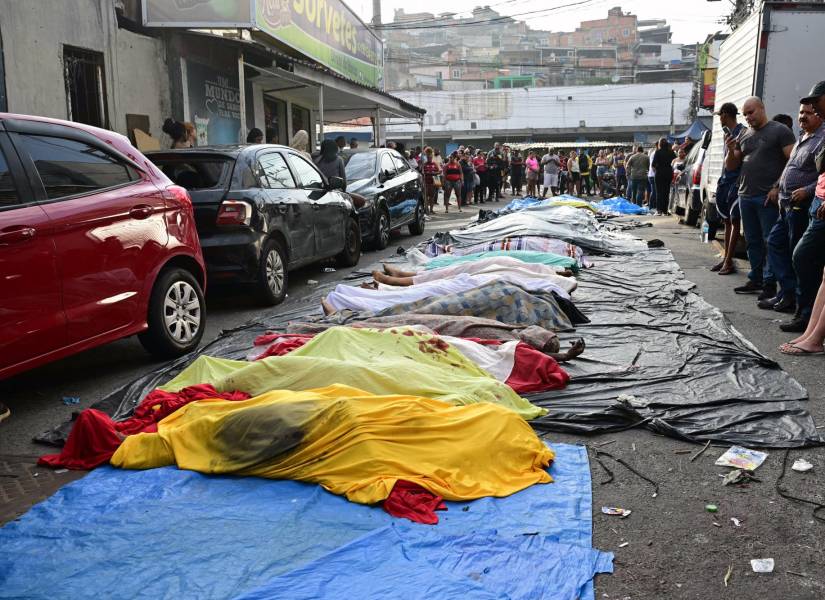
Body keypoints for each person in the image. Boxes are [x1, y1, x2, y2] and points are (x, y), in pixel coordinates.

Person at [725, 96, 795, 299]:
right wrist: (730, 151)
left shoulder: (779, 131)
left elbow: (792, 162)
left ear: (762, 109)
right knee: (752, 240)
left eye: (751, 112)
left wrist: (777, 187)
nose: (748, 117)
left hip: (767, 197)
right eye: (745, 114)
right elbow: (732, 166)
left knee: (769, 241)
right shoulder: (744, 135)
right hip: (745, 196)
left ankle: (769, 284)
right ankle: (756, 278)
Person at [761, 104, 825, 314]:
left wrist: (806, 191)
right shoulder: (803, 137)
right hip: (786, 205)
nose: (803, 117)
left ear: (819, 115)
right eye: (801, 113)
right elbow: (791, 168)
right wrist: (778, 186)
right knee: (775, 243)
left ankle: (801, 307)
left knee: (800, 256)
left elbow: (820, 177)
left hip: (802, 206)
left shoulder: (821, 139)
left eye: (808, 113)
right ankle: (787, 293)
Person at [783, 81, 825, 333]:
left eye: (815, 104)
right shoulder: (804, 138)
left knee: (803, 256)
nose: (810, 111)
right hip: (812, 204)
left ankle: (807, 319)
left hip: (815, 204)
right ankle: (808, 322)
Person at [712, 102, 746, 276]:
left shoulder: (741, 133)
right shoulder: (729, 134)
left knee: (734, 222)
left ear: (725, 115)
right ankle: (726, 258)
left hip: (736, 182)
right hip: (726, 181)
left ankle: (729, 262)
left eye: (720, 115)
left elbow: (735, 162)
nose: (719, 119)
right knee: (726, 221)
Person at [651, 138, 676, 215]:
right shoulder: (671, 152)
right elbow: (675, 162)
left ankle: (659, 210)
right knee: (666, 192)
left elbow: (653, 165)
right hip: (668, 174)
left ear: (660, 144)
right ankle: (665, 210)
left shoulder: (658, 152)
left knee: (659, 192)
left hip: (659, 174)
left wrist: (656, 171)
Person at [421, 147, 440, 215]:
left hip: (432, 183)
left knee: (432, 197)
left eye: (431, 157)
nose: (430, 158)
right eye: (428, 157)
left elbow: (439, 171)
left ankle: (431, 210)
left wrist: (435, 173)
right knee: (426, 197)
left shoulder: (434, 164)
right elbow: (421, 173)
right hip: (425, 183)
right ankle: (426, 209)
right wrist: (428, 173)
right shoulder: (424, 164)